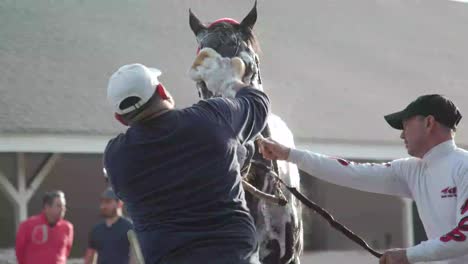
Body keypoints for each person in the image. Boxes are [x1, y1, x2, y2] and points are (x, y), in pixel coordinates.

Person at [103, 48, 270, 264]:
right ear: (162, 91)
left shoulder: (116, 157)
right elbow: (258, 105)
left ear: (120, 118)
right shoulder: (212, 117)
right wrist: (230, 81)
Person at [259, 94, 468, 264]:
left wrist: (408, 255)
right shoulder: (411, 170)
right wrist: (288, 154)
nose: (402, 135)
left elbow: (465, 236)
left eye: (405, 125)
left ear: (429, 122)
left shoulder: (463, 166)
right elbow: (351, 172)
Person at [15, 190, 74, 264]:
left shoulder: (67, 227)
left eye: (64, 206)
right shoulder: (27, 225)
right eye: (59, 206)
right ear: (47, 207)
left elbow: (66, 252)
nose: (63, 209)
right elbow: (20, 252)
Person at [84, 187, 135, 264]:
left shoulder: (130, 227)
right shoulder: (96, 230)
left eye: (108, 202)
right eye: (102, 202)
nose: (103, 206)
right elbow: (89, 258)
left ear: (119, 204)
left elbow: (136, 256)